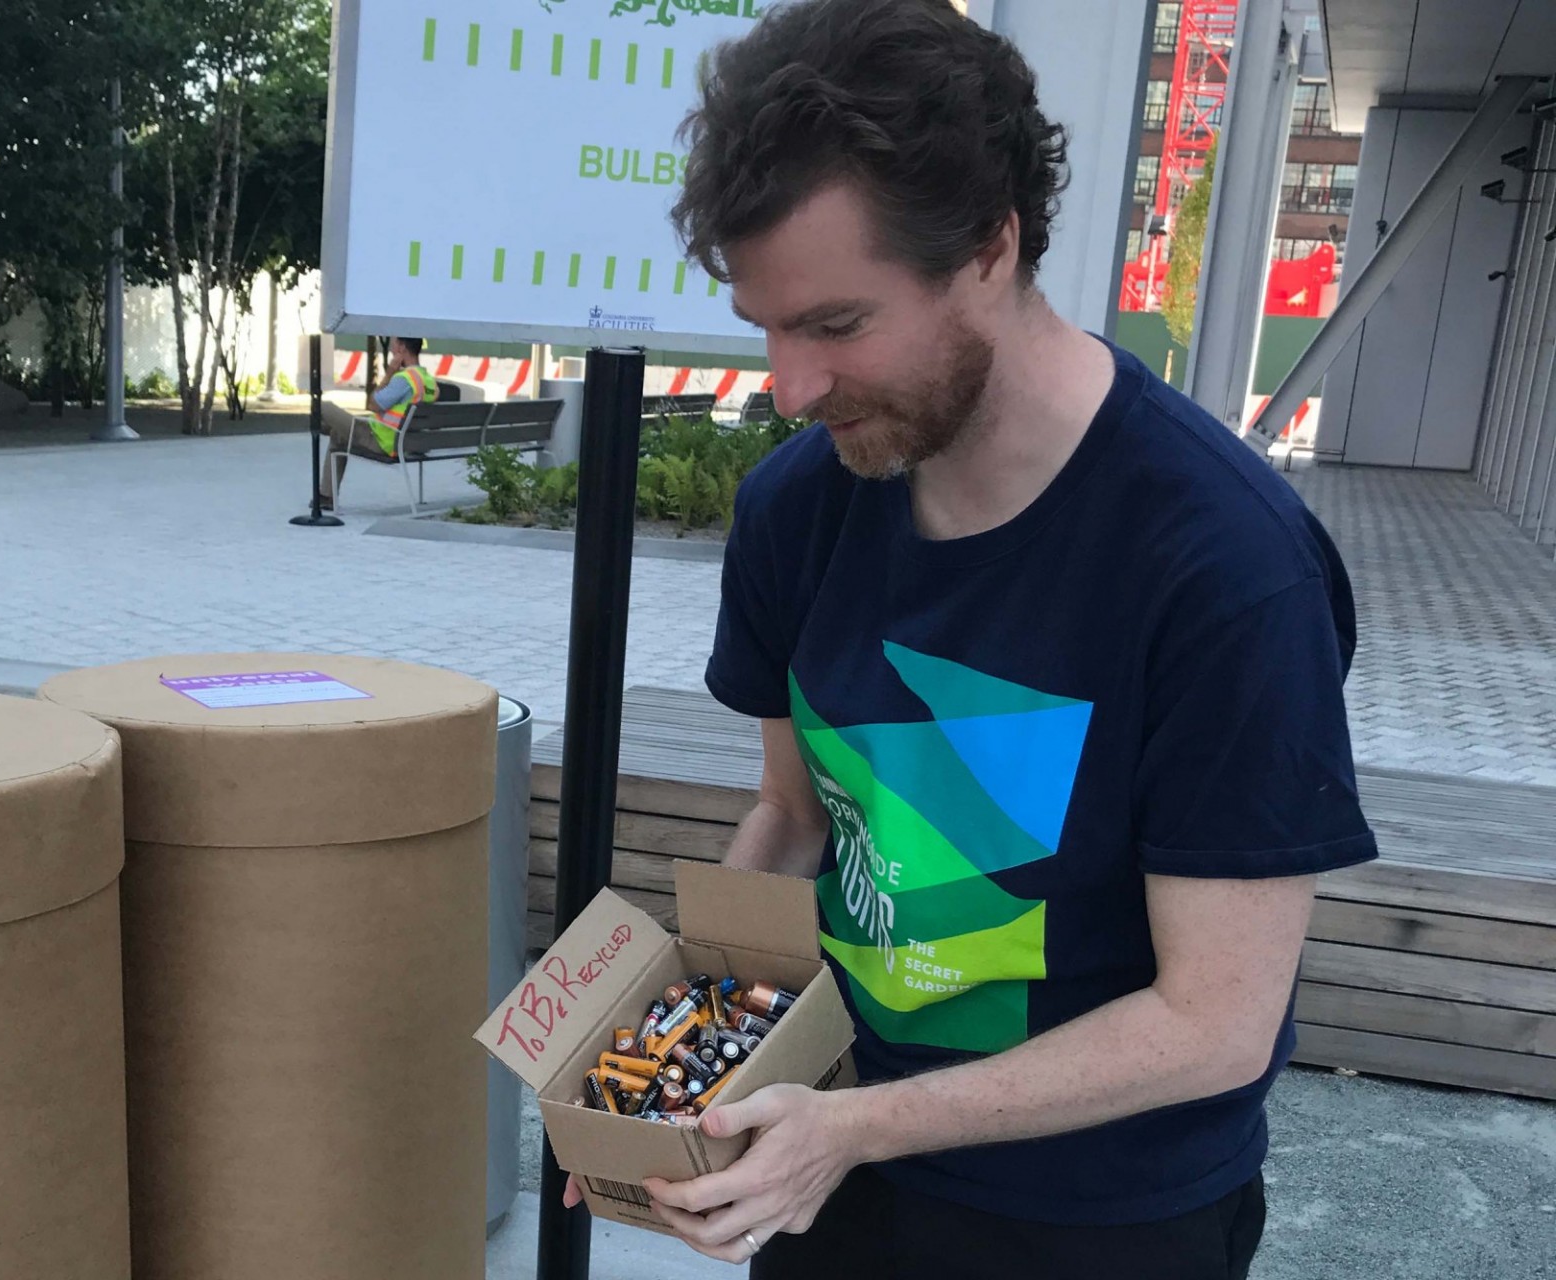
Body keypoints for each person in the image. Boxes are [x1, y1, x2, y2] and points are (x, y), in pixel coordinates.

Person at [563, 2, 1378, 1276]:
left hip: (1100, 1214)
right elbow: (794, 814)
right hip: (837, 1162)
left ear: (991, 247)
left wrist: (853, 1129)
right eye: (764, 325)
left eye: (836, 326)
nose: (788, 386)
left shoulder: (1226, 566)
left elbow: (1217, 1018)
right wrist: (671, 1068)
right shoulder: (798, 507)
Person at [317, 335, 438, 504]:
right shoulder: (429, 382)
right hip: (410, 443)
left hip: (382, 440)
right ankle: (326, 496)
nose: (391, 348)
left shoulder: (404, 379)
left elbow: (373, 405)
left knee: (323, 406)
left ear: (402, 347)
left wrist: (388, 374)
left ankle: (322, 429)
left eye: (394, 344)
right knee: (338, 435)